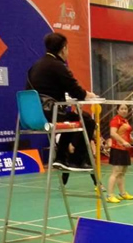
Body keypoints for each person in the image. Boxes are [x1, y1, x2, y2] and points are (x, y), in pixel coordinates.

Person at [26, 32, 98, 172]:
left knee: (69, 118)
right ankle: (76, 160)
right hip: (49, 115)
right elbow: (76, 92)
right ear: (64, 48)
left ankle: (61, 159)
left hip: (31, 117)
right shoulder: (58, 66)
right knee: (87, 120)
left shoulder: (35, 66)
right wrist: (88, 94)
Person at [107, 104, 133, 204]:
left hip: (125, 149)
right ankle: (110, 195)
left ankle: (122, 193)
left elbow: (128, 135)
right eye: (122, 109)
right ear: (117, 110)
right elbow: (113, 133)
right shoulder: (115, 120)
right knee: (115, 173)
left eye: (125, 109)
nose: (124, 110)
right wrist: (123, 142)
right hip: (117, 149)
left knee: (122, 173)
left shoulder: (125, 121)